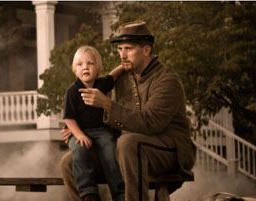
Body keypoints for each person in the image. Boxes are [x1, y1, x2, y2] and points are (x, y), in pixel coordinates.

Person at [60, 21, 196, 201]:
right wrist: (80, 131)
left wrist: (107, 104)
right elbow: (117, 123)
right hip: (129, 148)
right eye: (120, 49)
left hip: (170, 151)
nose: (122, 55)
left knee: (129, 143)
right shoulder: (123, 79)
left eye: (128, 49)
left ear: (146, 50)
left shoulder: (167, 80)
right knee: (69, 162)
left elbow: (150, 123)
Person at [63, 45, 126, 201]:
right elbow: (68, 118)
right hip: (78, 131)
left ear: (98, 68)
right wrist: (79, 135)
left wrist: (123, 66)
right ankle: (88, 192)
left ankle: (119, 192)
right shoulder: (72, 91)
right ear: (75, 70)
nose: (85, 67)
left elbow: (113, 76)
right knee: (78, 150)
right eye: (80, 64)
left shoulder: (101, 84)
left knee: (110, 147)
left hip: (101, 130)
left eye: (90, 63)